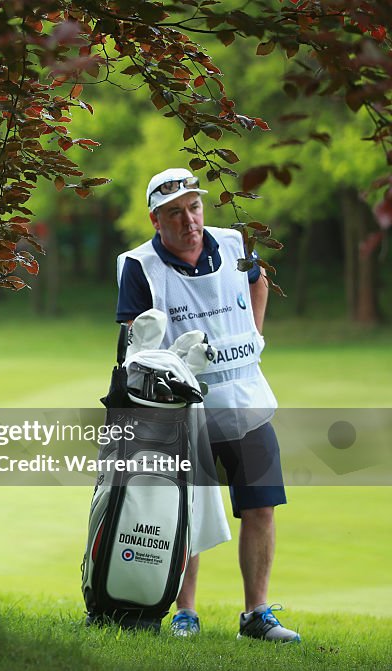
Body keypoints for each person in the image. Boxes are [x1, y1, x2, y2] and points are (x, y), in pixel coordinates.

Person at [115, 168, 300, 643]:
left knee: (260, 507)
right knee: (183, 512)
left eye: (194, 207)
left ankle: (256, 613)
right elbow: (136, 342)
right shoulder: (140, 266)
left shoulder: (235, 244)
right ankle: (185, 613)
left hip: (246, 401)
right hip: (183, 413)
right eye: (175, 212)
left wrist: (255, 334)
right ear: (156, 219)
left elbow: (258, 281)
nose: (189, 220)